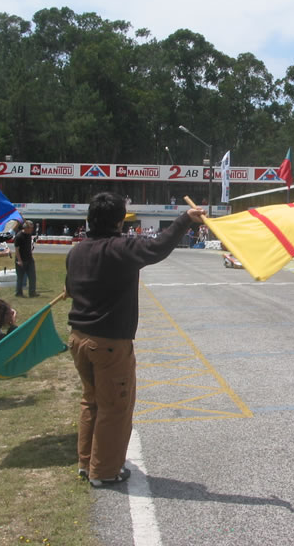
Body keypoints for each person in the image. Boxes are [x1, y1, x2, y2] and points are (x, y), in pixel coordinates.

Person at [65, 192, 205, 487]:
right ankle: (104, 472)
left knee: (91, 402)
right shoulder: (119, 248)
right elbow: (157, 247)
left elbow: (70, 287)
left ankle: (86, 462)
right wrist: (184, 220)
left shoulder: (77, 251)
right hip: (109, 343)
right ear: (119, 221)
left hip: (78, 338)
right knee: (115, 407)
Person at [14, 220, 38, 297]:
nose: (32, 229)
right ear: (26, 228)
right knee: (20, 278)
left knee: (32, 277)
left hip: (29, 259)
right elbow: (17, 250)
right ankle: (19, 293)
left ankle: (32, 292)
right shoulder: (19, 236)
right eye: (31, 228)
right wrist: (19, 260)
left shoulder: (29, 234)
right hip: (21, 259)